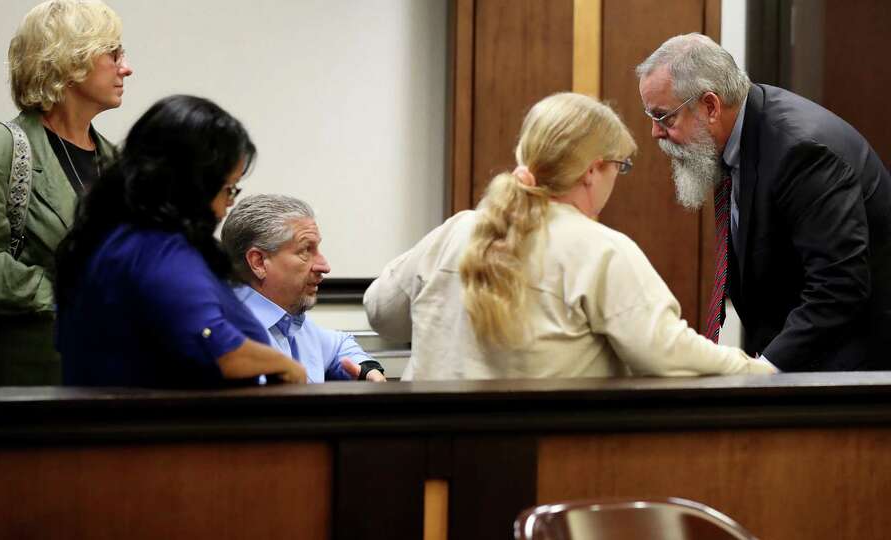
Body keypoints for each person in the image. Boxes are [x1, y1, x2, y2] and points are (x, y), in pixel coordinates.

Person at [364, 92, 776, 380]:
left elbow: (380, 311)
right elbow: (668, 352)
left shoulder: (456, 230)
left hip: (429, 465)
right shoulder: (600, 251)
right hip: (543, 465)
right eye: (620, 166)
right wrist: (758, 369)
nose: (617, 178)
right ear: (592, 170)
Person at [636, 33, 891, 371]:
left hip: (855, 376)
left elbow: (838, 288)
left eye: (664, 117)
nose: (656, 133)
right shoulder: (733, 140)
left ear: (710, 106)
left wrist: (765, 370)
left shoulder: (801, 151)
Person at [0, 0, 132, 385]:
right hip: (23, 387)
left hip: (112, 377)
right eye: (113, 53)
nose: (126, 67)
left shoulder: (118, 163)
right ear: (68, 60)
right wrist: (73, 296)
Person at [54, 95, 306, 388]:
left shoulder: (102, 238)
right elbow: (216, 347)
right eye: (228, 189)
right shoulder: (158, 248)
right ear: (196, 183)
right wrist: (284, 364)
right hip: (163, 428)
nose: (227, 207)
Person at [221, 194, 387, 383]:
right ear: (258, 262)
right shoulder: (225, 334)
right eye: (305, 250)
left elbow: (341, 345)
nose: (324, 266)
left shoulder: (291, 322)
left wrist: (367, 369)